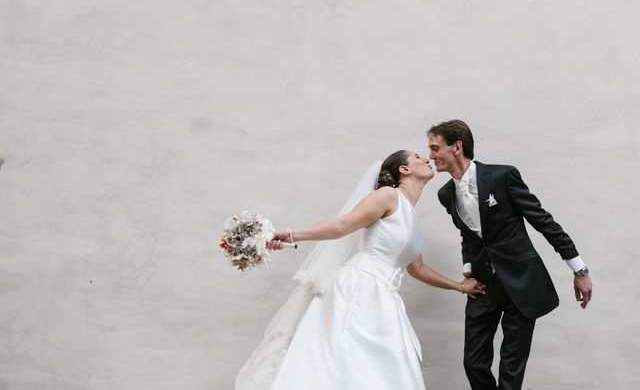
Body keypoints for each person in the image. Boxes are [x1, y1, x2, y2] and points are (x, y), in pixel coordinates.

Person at [235, 150, 485, 390]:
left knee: (384, 370)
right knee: (347, 365)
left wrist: (460, 286)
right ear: (404, 169)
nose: (427, 158)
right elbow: (343, 225)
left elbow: (417, 268)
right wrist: (290, 234)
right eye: (418, 157)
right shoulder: (388, 196)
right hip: (358, 289)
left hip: (385, 298)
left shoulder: (412, 216)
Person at [427, 120, 593, 390]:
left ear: (456, 147)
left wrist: (580, 271)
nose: (431, 156)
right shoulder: (445, 194)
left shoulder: (502, 176)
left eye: (435, 148)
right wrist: (468, 268)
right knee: (474, 363)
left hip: (521, 282)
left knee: (511, 366)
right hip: (482, 286)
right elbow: (467, 236)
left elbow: (543, 221)